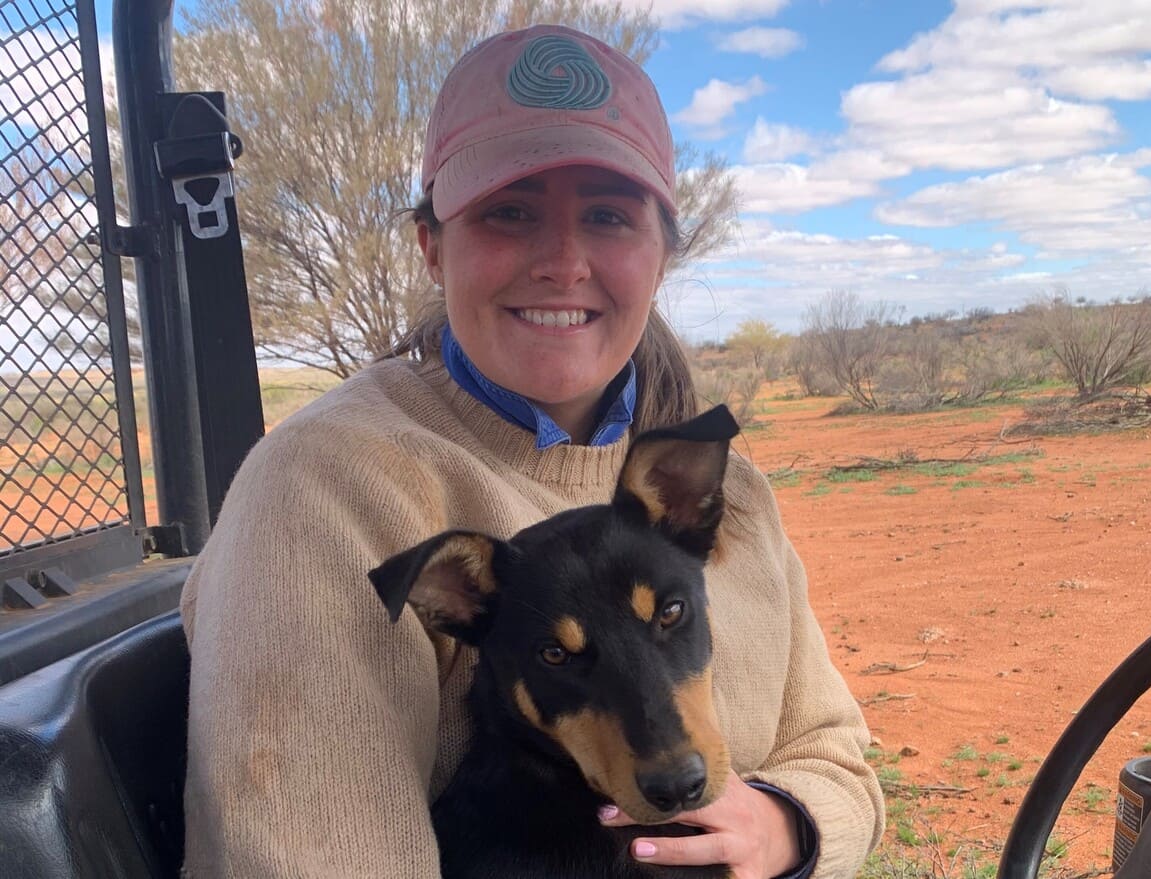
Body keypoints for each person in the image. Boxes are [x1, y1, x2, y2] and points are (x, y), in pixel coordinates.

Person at [180, 23, 884, 879]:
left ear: (663, 252)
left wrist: (786, 827)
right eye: (510, 213)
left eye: (607, 215)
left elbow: (834, 750)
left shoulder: (718, 488)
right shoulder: (327, 487)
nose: (563, 261)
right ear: (433, 246)